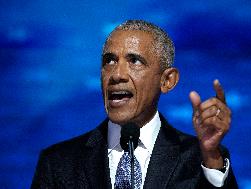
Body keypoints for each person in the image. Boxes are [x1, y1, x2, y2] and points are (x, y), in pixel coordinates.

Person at [31, 20, 238, 189]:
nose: (117, 74)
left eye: (135, 61)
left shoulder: (200, 160)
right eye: (109, 61)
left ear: (167, 81)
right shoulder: (58, 163)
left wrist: (211, 158)